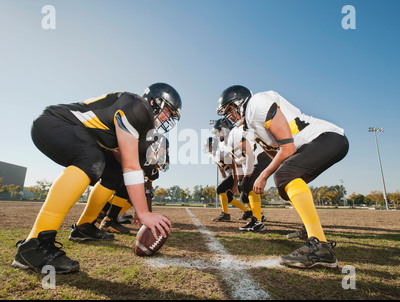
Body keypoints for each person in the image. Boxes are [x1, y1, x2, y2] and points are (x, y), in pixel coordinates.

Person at [12, 83, 182, 274]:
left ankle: (84, 227)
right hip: (55, 123)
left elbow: (122, 159)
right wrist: (143, 213)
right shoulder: (139, 108)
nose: (167, 117)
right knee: (92, 158)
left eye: (171, 115)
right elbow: (131, 166)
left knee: (113, 174)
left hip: (76, 132)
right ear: (153, 101)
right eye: (167, 111)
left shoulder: (138, 119)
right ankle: (35, 244)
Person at [217, 85, 349, 268]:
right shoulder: (250, 128)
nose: (229, 116)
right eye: (226, 113)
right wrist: (275, 175)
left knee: (285, 176)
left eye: (230, 109)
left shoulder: (257, 104)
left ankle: (320, 248)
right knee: (285, 186)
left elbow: (288, 148)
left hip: (326, 137)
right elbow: (277, 154)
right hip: (317, 144)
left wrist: (264, 175)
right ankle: (310, 229)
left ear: (241, 102)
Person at [204, 120, 253, 222]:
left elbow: (234, 167)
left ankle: (225, 214)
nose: (206, 148)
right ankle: (248, 212)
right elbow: (221, 169)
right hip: (230, 175)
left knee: (221, 190)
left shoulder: (221, 153)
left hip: (235, 174)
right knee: (229, 196)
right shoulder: (213, 156)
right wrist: (224, 180)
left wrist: (234, 184)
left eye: (207, 146)